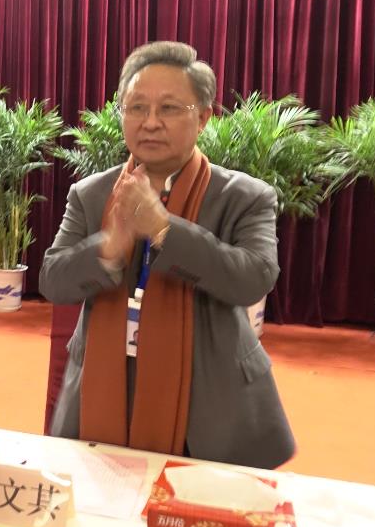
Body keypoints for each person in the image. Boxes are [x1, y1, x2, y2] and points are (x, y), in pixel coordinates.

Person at [40, 41, 295, 470]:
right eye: (136, 107)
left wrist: (163, 230)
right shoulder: (92, 194)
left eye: (169, 108)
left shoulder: (244, 197)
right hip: (105, 390)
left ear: (204, 117)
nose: (151, 122)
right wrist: (110, 247)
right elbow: (53, 281)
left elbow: (253, 278)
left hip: (210, 405)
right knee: (99, 505)